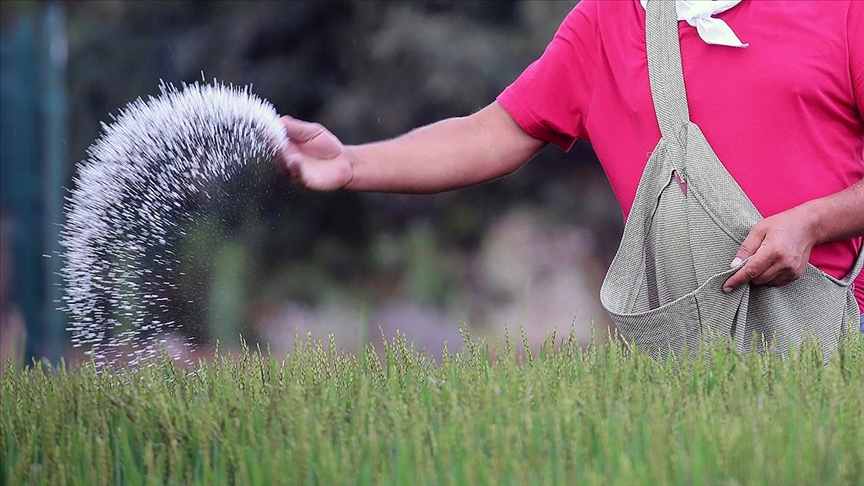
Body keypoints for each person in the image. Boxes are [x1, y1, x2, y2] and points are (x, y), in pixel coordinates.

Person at [277, 0, 864, 337]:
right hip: (685, 359)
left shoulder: (842, 10)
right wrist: (352, 162)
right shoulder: (607, 21)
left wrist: (811, 223)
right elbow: (493, 131)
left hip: (841, 333)